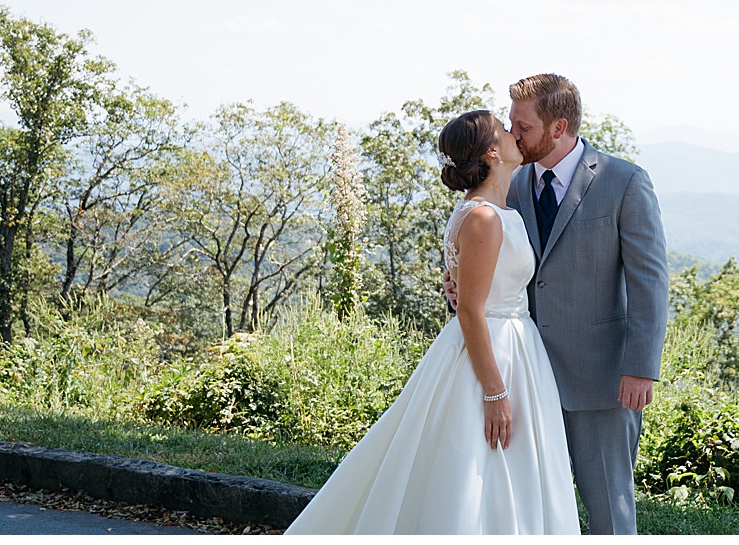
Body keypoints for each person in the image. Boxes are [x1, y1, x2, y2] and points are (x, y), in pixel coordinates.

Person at [285, 110, 579, 535]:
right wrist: (495, 393)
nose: (516, 134)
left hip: (517, 350)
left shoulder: (500, 211)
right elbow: (471, 310)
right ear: (493, 152)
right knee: (475, 472)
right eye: (506, 128)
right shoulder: (483, 218)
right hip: (492, 355)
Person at [447, 74, 670, 535]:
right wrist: (457, 288)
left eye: (522, 126)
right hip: (524, 375)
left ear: (558, 126)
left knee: (610, 508)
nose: (513, 133)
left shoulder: (624, 182)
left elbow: (650, 281)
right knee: (531, 509)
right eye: (510, 123)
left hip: (601, 378)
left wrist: (641, 367)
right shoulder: (508, 181)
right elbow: (483, 258)